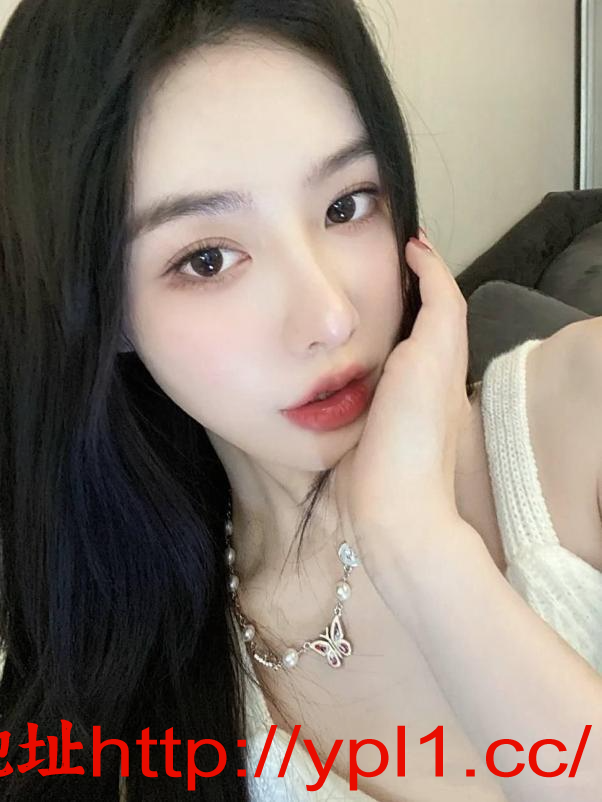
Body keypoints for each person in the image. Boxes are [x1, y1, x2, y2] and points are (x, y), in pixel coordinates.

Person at [0, 1, 601, 800]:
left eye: (346, 205)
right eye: (207, 259)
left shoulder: (585, 407)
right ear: (99, 310)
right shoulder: (115, 675)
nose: (330, 318)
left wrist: (419, 545)